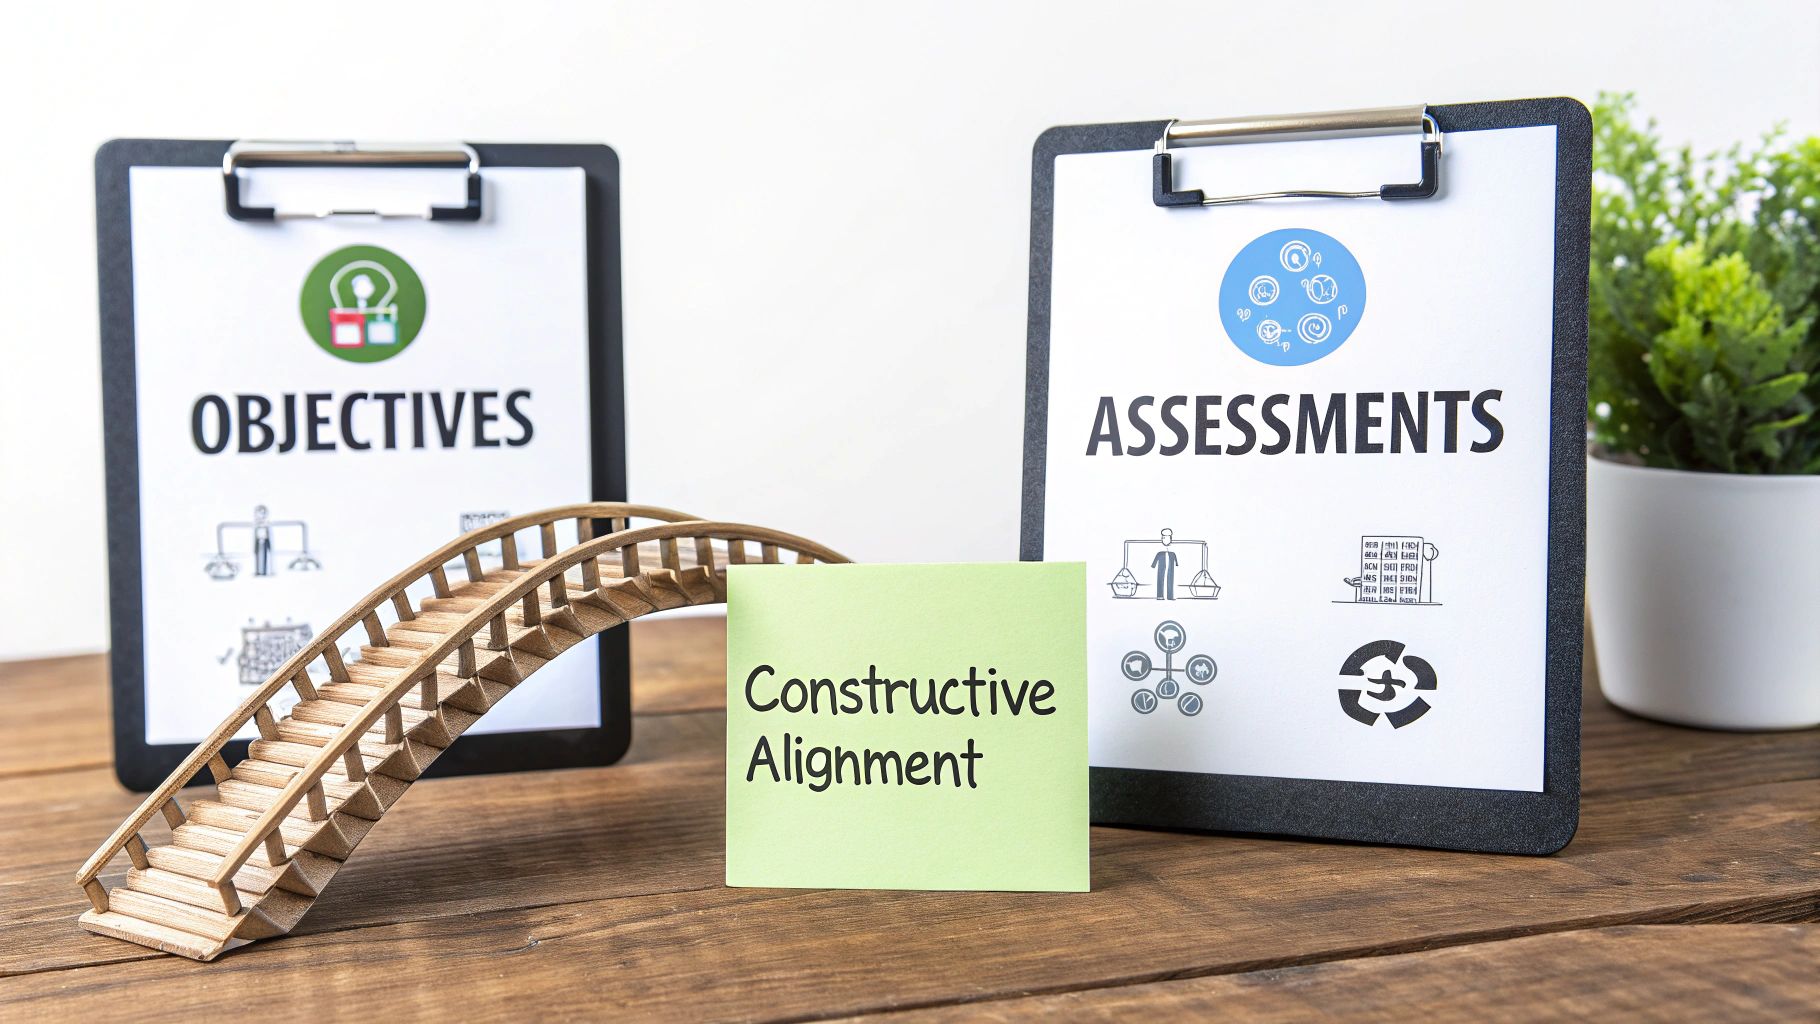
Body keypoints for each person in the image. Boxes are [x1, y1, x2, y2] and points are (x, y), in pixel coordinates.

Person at [1151, 528, 1178, 600]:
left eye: (1167, 537)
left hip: (1170, 566)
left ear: (1170, 538)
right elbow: (1156, 557)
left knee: (1170, 579)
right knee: (1160, 578)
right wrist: (1153, 565)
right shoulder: (1160, 551)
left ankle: (1170, 596)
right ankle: (1160, 596)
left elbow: (1175, 558)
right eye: (1163, 537)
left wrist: (1177, 564)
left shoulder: (1172, 551)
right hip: (1161, 566)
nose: (1164, 539)